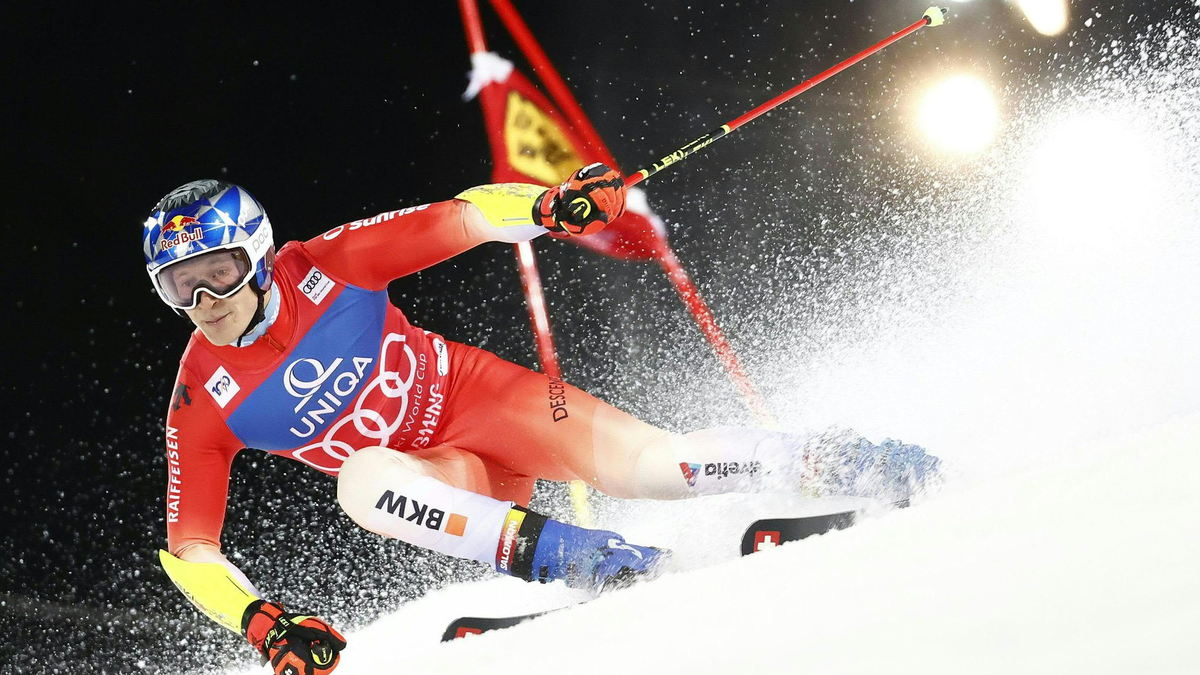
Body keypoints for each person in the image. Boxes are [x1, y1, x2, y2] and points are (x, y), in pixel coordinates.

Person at [147, 166, 940, 675]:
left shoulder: (326, 263)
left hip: (491, 404)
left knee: (658, 467)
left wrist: (550, 204)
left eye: (217, 274)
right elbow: (189, 549)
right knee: (363, 479)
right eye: (179, 286)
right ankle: (586, 557)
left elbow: (467, 215)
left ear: (254, 253)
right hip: (441, 483)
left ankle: (843, 459)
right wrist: (261, 623)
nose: (205, 303)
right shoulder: (201, 394)